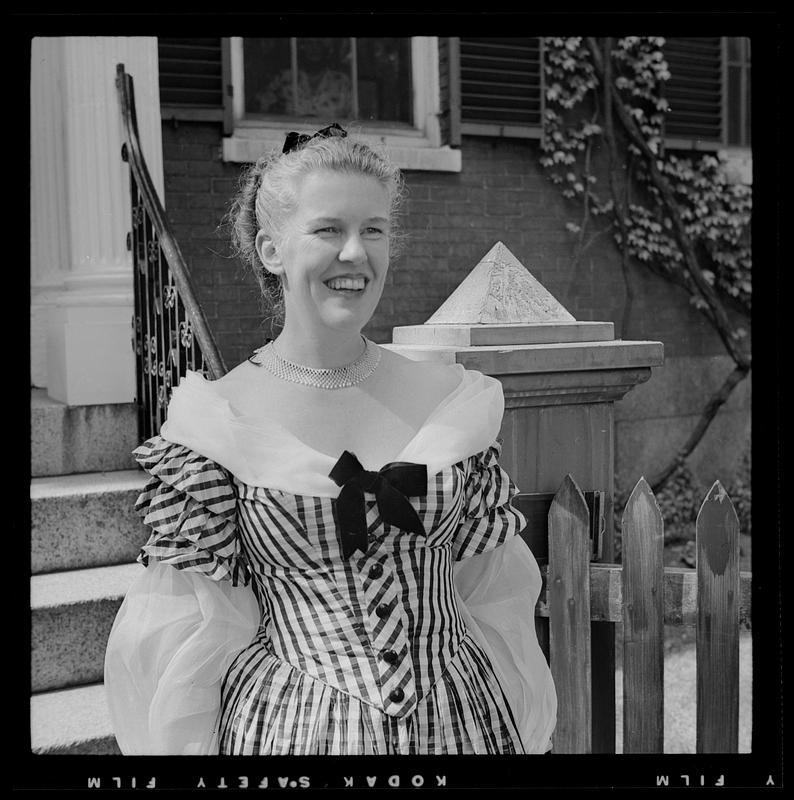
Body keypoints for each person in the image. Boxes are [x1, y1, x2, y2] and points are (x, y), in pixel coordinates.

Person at [104, 123, 557, 755]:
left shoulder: (450, 404)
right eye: (328, 230)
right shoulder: (218, 425)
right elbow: (191, 632)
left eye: (373, 229)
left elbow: (496, 594)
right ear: (271, 249)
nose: (355, 254)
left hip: (462, 727)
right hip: (294, 733)